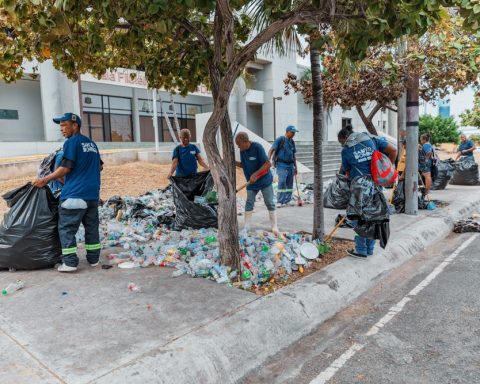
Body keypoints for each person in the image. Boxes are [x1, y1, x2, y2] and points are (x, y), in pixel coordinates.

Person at [33, 113, 102, 273]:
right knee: (91, 227)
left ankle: (70, 262)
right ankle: (93, 259)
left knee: (66, 228)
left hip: (74, 195)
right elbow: (98, 168)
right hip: (92, 195)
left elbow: (65, 169)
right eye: (60, 126)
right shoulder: (92, 144)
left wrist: (45, 179)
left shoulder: (71, 142)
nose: (62, 130)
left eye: (64, 126)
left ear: (75, 125)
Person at [338, 125, 397, 259]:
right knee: (374, 216)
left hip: (359, 188)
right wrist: (388, 167)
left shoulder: (346, 149)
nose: (342, 145)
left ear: (345, 138)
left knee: (358, 218)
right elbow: (393, 150)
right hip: (376, 184)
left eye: (341, 142)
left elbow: (346, 171)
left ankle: (361, 250)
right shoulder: (371, 138)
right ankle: (369, 249)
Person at [235, 132, 278, 233]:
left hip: (264, 180)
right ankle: (246, 226)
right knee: (249, 202)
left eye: (238, 144)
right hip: (252, 182)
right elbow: (244, 165)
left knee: (269, 202)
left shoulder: (257, 147)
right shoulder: (242, 151)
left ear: (245, 142)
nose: (238, 147)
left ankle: (274, 226)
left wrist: (256, 174)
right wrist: (234, 162)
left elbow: (268, 164)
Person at [268, 125, 299, 207]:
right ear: (287, 132)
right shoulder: (280, 139)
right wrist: (268, 160)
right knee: (282, 181)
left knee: (289, 182)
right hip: (281, 164)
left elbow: (293, 155)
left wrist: (296, 167)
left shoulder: (292, 142)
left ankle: (288, 200)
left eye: (294, 133)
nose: (293, 134)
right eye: (292, 132)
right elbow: (271, 150)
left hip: (290, 165)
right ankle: (280, 201)